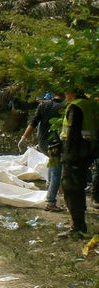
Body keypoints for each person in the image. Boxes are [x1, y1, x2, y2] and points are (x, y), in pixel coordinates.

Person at [58, 89, 98, 239]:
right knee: (79, 188)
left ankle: (78, 226)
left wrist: (66, 158)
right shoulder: (90, 105)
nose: (64, 96)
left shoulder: (75, 107)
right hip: (88, 153)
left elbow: (72, 135)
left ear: (72, 93)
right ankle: (79, 225)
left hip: (75, 155)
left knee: (71, 188)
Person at [18, 92, 67, 212]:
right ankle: (50, 201)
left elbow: (33, 123)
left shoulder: (43, 105)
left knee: (52, 164)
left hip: (43, 144)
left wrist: (23, 138)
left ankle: (49, 187)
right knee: (56, 172)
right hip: (56, 144)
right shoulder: (65, 107)